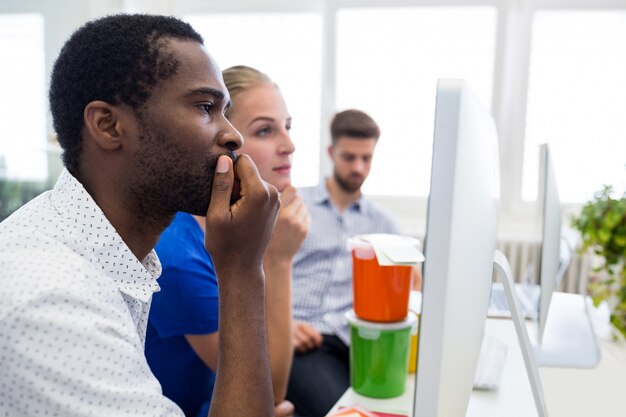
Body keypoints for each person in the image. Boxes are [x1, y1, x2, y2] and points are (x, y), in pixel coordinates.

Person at [0, 14, 280, 417]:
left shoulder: (101, 249)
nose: (233, 134)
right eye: (205, 107)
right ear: (108, 126)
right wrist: (242, 269)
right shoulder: (51, 302)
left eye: (226, 111)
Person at [146, 65, 309, 417]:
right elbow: (272, 387)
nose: (290, 145)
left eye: (288, 126)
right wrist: (279, 261)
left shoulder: (229, 226)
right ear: (225, 141)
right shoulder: (179, 259)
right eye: (266, 130)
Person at [286, 109, 420, 416]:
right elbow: (260, 274)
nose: (358, 167)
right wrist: (281, 327)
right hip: (306, 338)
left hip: (361, 341)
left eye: (366, 158)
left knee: (404, 403)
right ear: (332, 153)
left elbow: (412, 289)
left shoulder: (384, 224)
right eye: (349, 157)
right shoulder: (293, 206)